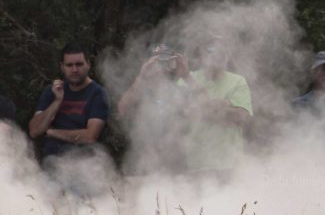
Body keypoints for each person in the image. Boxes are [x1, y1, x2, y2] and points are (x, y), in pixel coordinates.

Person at [28, 42, 110, 164]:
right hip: (50, 164)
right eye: (69, 65)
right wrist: (57, 101)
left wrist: (51, 132)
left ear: (88, 64)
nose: (74, 70)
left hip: (85, 166)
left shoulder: (98, 94)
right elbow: (34, 131)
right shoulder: (53, 91)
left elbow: (90, 136)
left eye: (79, 64)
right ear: (62, 67)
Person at [181, 41, 252, 175]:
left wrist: (201, 109)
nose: (216, 57)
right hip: (196, 164)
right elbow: (182, 116)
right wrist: (223, 105)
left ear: (227, 55)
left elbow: (241, 117)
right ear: (201, 56)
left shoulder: (238, 81)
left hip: (230, 164)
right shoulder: (187, 78)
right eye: (210, 51)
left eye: (221, 52)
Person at [117, 43, 190, 173]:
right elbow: (122, 108)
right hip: (144, 161)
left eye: (166, 61)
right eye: (156, 61)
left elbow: (205, 104)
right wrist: (142, 76)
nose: (161, 66)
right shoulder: (139, 90)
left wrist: (186, 75)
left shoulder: (182, 90)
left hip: (176, 162)